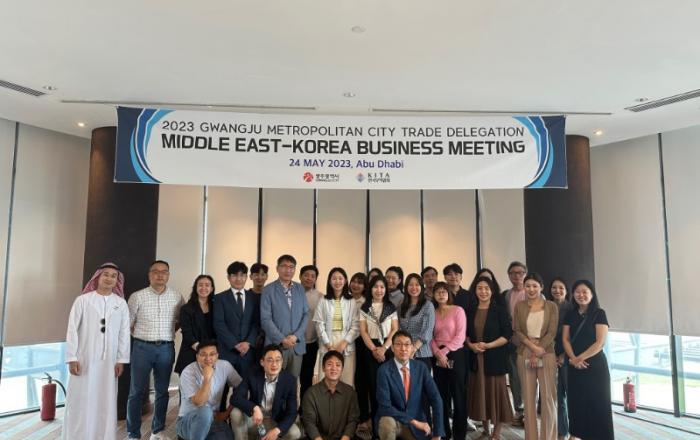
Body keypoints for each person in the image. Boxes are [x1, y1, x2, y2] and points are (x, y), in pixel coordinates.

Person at [63, 263, 130, 440]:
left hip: (110, 362)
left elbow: (124, 333)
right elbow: (72, 329)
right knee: (82, 398)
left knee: (105, 400)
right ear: (98, 277)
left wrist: (121, 359)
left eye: (113, 276)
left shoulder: (120, 303)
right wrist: (72, 357)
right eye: (105, 274)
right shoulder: (83, 300)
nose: (109, 278)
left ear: (117, 281)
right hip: (84, 359)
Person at [127, 260, 184, 440]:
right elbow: (128, 323)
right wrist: (143, 336)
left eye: (164, 271)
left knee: (162, 391)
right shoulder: (137, 296)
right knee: (136, 392)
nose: (160, 275)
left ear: (168, 275)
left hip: (166, 348)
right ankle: (133, 433)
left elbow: (180, 321)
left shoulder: (177, 297)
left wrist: (166, 335)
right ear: (149, 275)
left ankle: (157, 431)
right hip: (141, 348)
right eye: (156, 271)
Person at [562, 280, 614, 440]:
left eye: (585, 292)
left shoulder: (599, 313)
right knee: (576, 403)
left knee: (598, 402)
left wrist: (579, 358)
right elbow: (565, 339)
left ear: (592, 294)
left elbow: (600, 342)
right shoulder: (570, 314)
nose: (581, 295)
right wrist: (573, 359)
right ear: (573, 295)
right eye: (577, 292)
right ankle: (576, 434)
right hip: (574, 366)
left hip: (595, 366)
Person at [466, 276, 513, 440]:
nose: (483, 291)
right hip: (476, 359)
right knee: (482, 394)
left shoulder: (499, 310)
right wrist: (471, 345)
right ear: (475, 290)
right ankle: (486, 429)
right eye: (479, 288)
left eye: (487, 288)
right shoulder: (470, 310)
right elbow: (465, 334)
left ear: (492, 291)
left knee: (497, 396)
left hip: (494, 358)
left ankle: (496, 433)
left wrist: (489, 345)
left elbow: (507, 334)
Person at [513, 273, 559, 440]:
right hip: (525, 351)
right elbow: (517, 330)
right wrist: (532, 348)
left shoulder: (551, 306)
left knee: (548, 399)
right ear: (524, 287)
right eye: (528, 286)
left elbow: (552, 332)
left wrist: (538, 349)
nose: (531, 289)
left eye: (534, 286)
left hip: (546, 352)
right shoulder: (519, 306)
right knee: (528, 398)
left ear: (541, 287)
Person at [376, 331, 444, 440]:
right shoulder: (384, 371)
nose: (403, 348)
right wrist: (413, 421)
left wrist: (437, 434)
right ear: (392, 348)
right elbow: (385, 407)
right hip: (395, 421)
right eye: (398, 344)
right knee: (386, 423)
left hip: (417, 425)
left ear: (412, 347)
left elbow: (436, 398)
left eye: (407, 344)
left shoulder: (421, 368)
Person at [231, 345, 302, 440]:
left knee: (295, 433)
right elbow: (235, 398)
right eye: (270, 360)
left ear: (282, 362)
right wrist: (254, 408)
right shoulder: (252, 374)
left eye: (278, 360)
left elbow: (292, 412)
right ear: (262, 362)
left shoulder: (289, 380)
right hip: (254, 419)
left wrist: (277, 430)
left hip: (275, 420)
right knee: (235, 413)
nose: (274, 364)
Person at [176, 341, 242, 440]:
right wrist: (207, 378)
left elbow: (242, 389)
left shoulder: (225, 366)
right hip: (188, 421)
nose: (208, 358)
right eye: (203, 355)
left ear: (217, 356)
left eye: (212, 354)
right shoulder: (188, 372)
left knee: (225, 437)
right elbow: (199, 402)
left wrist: (227, 412)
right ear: (197, 356)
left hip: (214, 421)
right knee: (205, 411)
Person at [358, 275, 399, 434]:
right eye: (376, 287)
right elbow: (363, 331)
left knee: (388, 387)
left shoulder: (390, 306)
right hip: (370, 349)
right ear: (370, 289)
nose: (379, 290)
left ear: (385, 289)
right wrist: (374, 349)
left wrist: (384, 348)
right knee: (373, 388)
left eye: (382, 287)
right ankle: (376, 430)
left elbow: (395, 329)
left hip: (388, 349)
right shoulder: (365, 307)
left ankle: (389, 427)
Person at [261, 254, 310, 378]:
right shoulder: (268, 290)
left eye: (291, 267)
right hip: (275, 346)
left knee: (293, 381)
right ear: (277, 268)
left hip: (296, 345)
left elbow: (306, 314)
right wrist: (282, 339)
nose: (288, 270)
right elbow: (265, 319)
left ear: (294, 270)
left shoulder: (300, 288)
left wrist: (296, 336)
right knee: (273, 381)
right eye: (284, 266)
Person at [430, 281, 468, 440]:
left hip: (455, 354)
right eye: (437, 292)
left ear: (449, 294)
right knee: (441, 396)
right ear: (433, 295)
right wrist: (437, 353)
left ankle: (459, 434)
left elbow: (460, 336)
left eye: (444, 291)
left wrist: (444, 352)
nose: (441, 294)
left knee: (458, 395)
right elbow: (429, 336)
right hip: (437, 356)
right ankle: (444, 432)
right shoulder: (432, 312)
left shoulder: (458, 310)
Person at [442, 263, 477, 432]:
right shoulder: (441, 296)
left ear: (461, 277)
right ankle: (446, 420)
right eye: (449, 274)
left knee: (462, 386)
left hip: (463, 347)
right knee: (445, 387)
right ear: (445, 277)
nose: (453, 277)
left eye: (456, 274)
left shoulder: (469, 296)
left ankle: (463, 421)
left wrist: (469, 341)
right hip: (442, 349)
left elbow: (472, 321)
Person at [213, 262, 260, 378]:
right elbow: (219, 324)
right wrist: (234, 344)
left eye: (242, 275)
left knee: (244, 385)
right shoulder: (219, 298)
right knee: (222, 386)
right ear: (228, 277)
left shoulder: (254, 298)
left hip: (248, 352)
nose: (238, 279)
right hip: (226, 351)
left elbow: (256, 323)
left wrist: (248, 342)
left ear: (246, 277)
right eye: (234, 275)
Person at [314, 267, 359, 385]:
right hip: (328, 342)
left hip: (346, 343)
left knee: (346, 380)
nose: (337, 281)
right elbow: (319, 324)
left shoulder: (351, 301)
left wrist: (344, 343)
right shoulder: (323, 300)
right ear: (329, 281)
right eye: (334, 278)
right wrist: (328, 345)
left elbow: (356, 325)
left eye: (340, 278)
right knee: (326, 379)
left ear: (345, 281)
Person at [302, 350, 360, 440]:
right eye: (329, 364)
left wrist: (345, 438)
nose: (334, 368)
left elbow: (353, 420)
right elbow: (309, 422)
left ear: (342, 369)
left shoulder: (350, 392)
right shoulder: (311, 393)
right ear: (323, 368)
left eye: (338, 365)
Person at [547, 277, 573, 440]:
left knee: (571, 396)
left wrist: (564, 355)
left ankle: (575, 432)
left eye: (561, 288)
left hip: (568, 357)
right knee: (557, 398)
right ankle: (561, 432)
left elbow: (573, 335)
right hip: (549, 355)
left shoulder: (572, 308)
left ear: (566, 290)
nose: (557, 290)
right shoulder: (547, 307)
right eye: (554, 287)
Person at [175, 275, 217, 375]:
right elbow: (187, 333)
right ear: (195, 287)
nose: (203, 288)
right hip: (191, 352)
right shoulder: (186, 309)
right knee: (189, 383)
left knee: (210, 383)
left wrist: (210, 352)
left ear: (212, 288)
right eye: (200, 285)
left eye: (207, 285)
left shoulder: (217, 307)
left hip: (212, 354)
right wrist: (202, 351)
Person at [503, 261, 528, 424]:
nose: (516, 276)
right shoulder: (507, 295)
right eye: (512, 273)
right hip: (512, 341)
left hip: (530, 342)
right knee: (514, 377)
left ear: (525, 274)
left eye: (520, 272)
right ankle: (519, 410)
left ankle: (529, 410)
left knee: (530, 377)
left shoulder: (533, 291)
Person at [398, 273, 435, 370]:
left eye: (417, 285)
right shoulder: (402, 306)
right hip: (403, 352)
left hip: (421, 353)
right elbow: (399, 328)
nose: (414, 287)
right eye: (410, 285)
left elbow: (427, 332)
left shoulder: (428, 305)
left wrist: (413, 349)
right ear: (406, 287)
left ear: (422, 287)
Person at [349, 272, 371, 433]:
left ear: (365, 287)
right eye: (354, 281)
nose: (356, 285)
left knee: (361, 381)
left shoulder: (366, 303)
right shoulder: (345, 300)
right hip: (347, 343)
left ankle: (364, 417)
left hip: (363, 344)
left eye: (360, 283)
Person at [299, 264, 324, 403]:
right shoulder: (293, 293)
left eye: (312, 276)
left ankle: (304, 408)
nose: (309, 278)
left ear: (316, 279)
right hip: (293, 343)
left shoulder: (321, 297)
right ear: (300, 276)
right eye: (306, 275)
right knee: (289, 377)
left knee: (306, 378)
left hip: (311, 343)